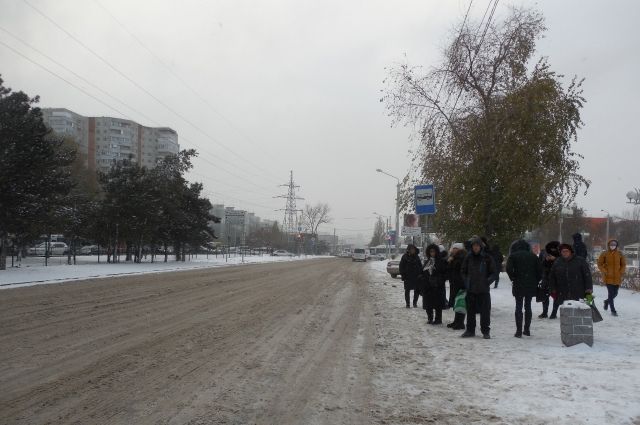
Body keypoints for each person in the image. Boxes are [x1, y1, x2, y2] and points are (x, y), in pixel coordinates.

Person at [461, 237, 497, 339]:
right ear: (472, 247)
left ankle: (485, 331)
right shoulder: (468, 257)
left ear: (480, 247)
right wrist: (466, 281)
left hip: (483, 290)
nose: (475, 248)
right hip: (471, 289)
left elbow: (494, 273)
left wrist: (487, 281)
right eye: (474, 246)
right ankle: (470, 330)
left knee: (485, 312)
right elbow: (463, 271)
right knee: (470, 311)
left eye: (477, 246)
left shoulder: (487, 258)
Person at [506, 240, 543, 337]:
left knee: (518, 306)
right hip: (530, 285)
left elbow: (508, 269)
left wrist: (513, 278)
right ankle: (527, 329)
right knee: (528, 306)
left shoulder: (513, 256)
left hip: (518, 283)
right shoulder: (533, 256)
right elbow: (540, 271)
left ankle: (518, 331)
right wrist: (535, 280)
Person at [548, 243, 593, 318]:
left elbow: (587, 275)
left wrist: (589, 288)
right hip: (563, 290)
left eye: (566, 251)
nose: (565, 253)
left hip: (578, 290)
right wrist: (553, 288)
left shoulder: (580, 260)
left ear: (571, 251)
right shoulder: (558, 261)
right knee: (566, 312)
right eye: (563, 251)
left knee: (579, 310)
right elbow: (552, 276)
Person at [597, 239, 626, 317]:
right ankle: (613, 310)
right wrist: (604, 271)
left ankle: (606, 302)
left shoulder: (620, 254)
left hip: (617, 277)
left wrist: (621, 272)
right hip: (608, 277)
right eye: (611, 244)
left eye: (614, 244)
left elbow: (623, 264)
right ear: (608, 245)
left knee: (615, 293)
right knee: (610, 294)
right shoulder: (604, 254)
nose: (612, 246)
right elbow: (599, 264)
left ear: (616, 245)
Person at [421, 244, 448, 324]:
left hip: (438, 286)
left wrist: (438, 280)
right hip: (428, 286)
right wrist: (423, 279)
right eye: (431, 251)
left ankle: (438, 319)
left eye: (434, 251)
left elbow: (445, 273)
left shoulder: (441, 261)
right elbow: (422, 272)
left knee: (438, 304)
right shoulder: (427, 261)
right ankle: (430, 318)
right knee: (428, 303)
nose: (432, 253)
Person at [446, 242, 467, 330]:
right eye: (453, 248)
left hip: (461, 284)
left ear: (460, 249)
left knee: (461, 303)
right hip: (454, 283)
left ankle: (460, 323)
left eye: (456, 248)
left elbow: (461, 270)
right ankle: (456, 321)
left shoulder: (462, 257)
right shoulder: (454, 257)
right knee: (456, 303)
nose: (454, 250)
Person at [538, 241, 560, 318]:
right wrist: (546, 260)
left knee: (556, 296)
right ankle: (544, 312)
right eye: (552, 249)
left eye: (554, 249)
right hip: (546, 278)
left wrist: (555, 259)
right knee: (545, 296)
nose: (553, 250)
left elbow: (562, 266)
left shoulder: (561, 255)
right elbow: (541, 265)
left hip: (556, 279)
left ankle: (554, 313)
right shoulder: (545, 253)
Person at [399, 244, 423, 308]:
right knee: (407, 290)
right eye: (411, 249)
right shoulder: (404, 257)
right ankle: (408, 304)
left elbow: (420, 266)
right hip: (408, 277)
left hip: (416, 276)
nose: (413, 250)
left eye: (414, 249)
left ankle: (415, 303)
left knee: (417, 290)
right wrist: (403, 275)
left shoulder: (417, 257)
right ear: (409, 250)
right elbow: (401, 266)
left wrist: (421, 274)